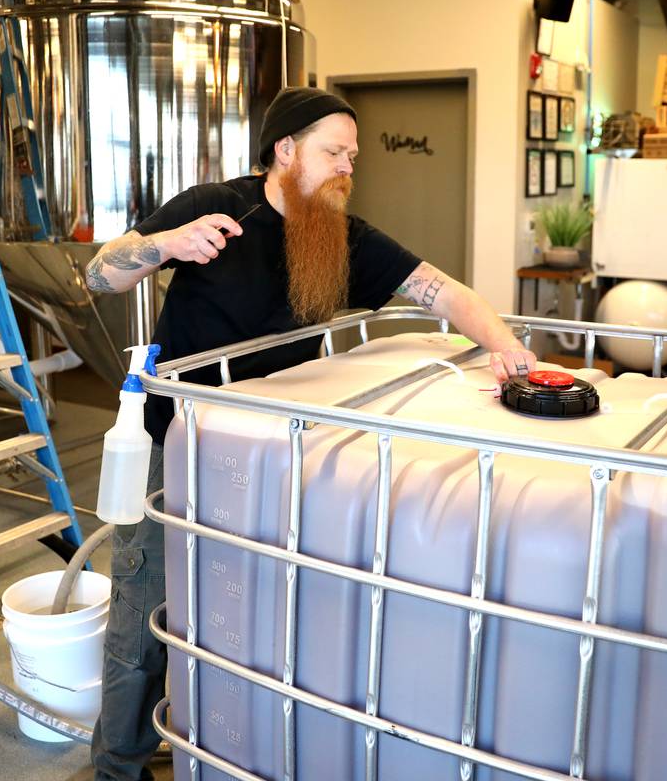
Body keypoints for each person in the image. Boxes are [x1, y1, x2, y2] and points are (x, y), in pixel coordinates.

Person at [81, 86, 536, 780]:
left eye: (352, 155)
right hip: (176, 445)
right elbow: (98, 275)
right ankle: (118, 767)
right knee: (146, 613)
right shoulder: (217, 206)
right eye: (332, 152)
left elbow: (442, 291)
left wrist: (514, 355)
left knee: (249, 613)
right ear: (285, 151)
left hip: (275, 460)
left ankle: (224, 744)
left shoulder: (341, 237)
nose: (346, 167)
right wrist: (164, 244)